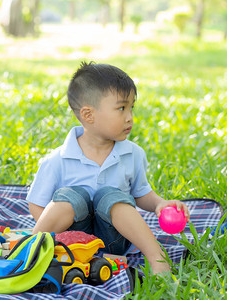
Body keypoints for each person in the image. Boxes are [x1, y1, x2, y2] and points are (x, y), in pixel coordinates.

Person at [27, 62, 190, 274]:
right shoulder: (57, 159)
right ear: (88, 115)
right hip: (74, 242)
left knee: (111, 196)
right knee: (70, 197)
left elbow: (141, 194)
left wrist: (159, 203)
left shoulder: (132, 154)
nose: (130, 116)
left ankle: (156, 256)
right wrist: (61, 235)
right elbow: (37, 204)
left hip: (114, 240)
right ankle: (30, 252)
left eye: (132, 107)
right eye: (121, 108)